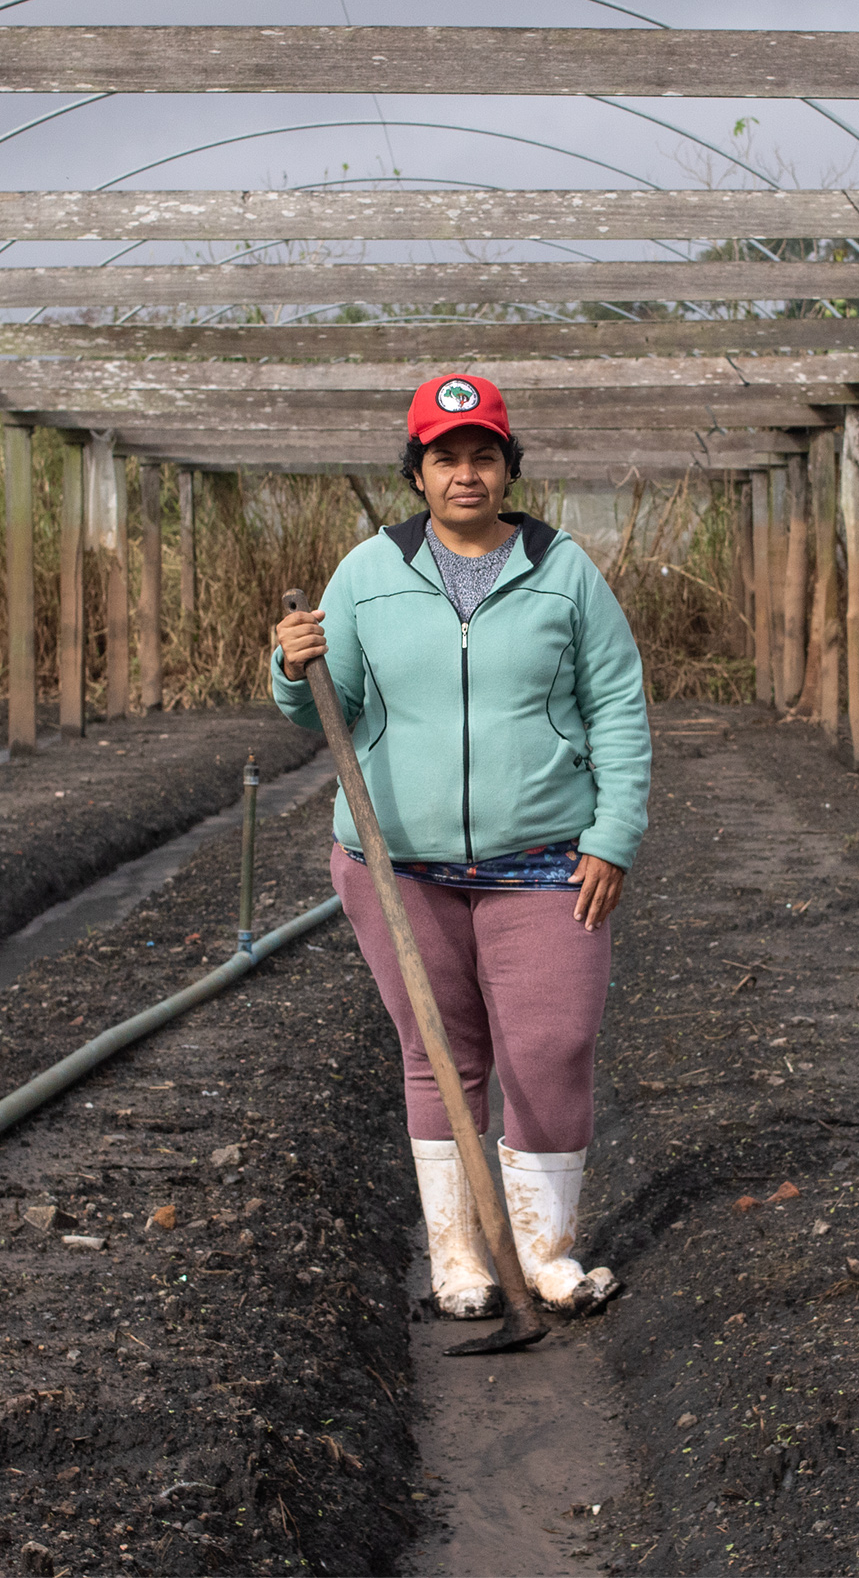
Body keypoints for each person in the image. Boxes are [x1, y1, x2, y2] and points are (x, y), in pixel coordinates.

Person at [271, 372, 651, 1319]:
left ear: (508, 467)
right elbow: (329, 706)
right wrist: (289, 667)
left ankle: (548, 1253)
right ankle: (459, 1256)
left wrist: (613, 833)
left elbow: (618, 709)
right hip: (398, 869)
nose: (466, 473)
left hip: (544, 859)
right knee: (438, 1052)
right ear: (419, 473)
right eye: (446, 457)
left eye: (484, 455)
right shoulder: (366, 574)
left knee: (554, 1046)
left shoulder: (564, 570)